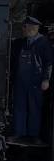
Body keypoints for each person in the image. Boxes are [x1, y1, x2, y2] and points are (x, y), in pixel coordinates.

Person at [11, 16, 53, 144]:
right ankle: (19, 134)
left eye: (25, 27)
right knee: (19, 108)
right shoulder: (23, 42)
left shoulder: (43, 43)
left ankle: (34, 136)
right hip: (21, 81)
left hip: (35, 81)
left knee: (34, 108)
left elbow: (49, 63)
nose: (23, 30)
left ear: (32, 28)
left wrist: (46, 79)